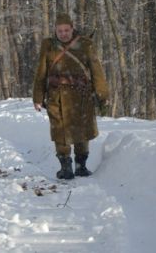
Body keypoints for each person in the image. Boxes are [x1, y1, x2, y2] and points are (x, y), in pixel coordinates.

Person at [32, 13, 109, 180]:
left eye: (66, 30)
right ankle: (65, 167)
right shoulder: (49, 46)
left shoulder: (85, 44)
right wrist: (38, 97)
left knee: (82, 131)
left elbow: (97, 71)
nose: (63, 33)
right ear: (55, 30)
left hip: (81, 95)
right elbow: (41, 73)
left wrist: (102, 94)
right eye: (60, 30)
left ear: (72, 29)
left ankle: (81, 165)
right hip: (56, 96)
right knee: (60, 131)